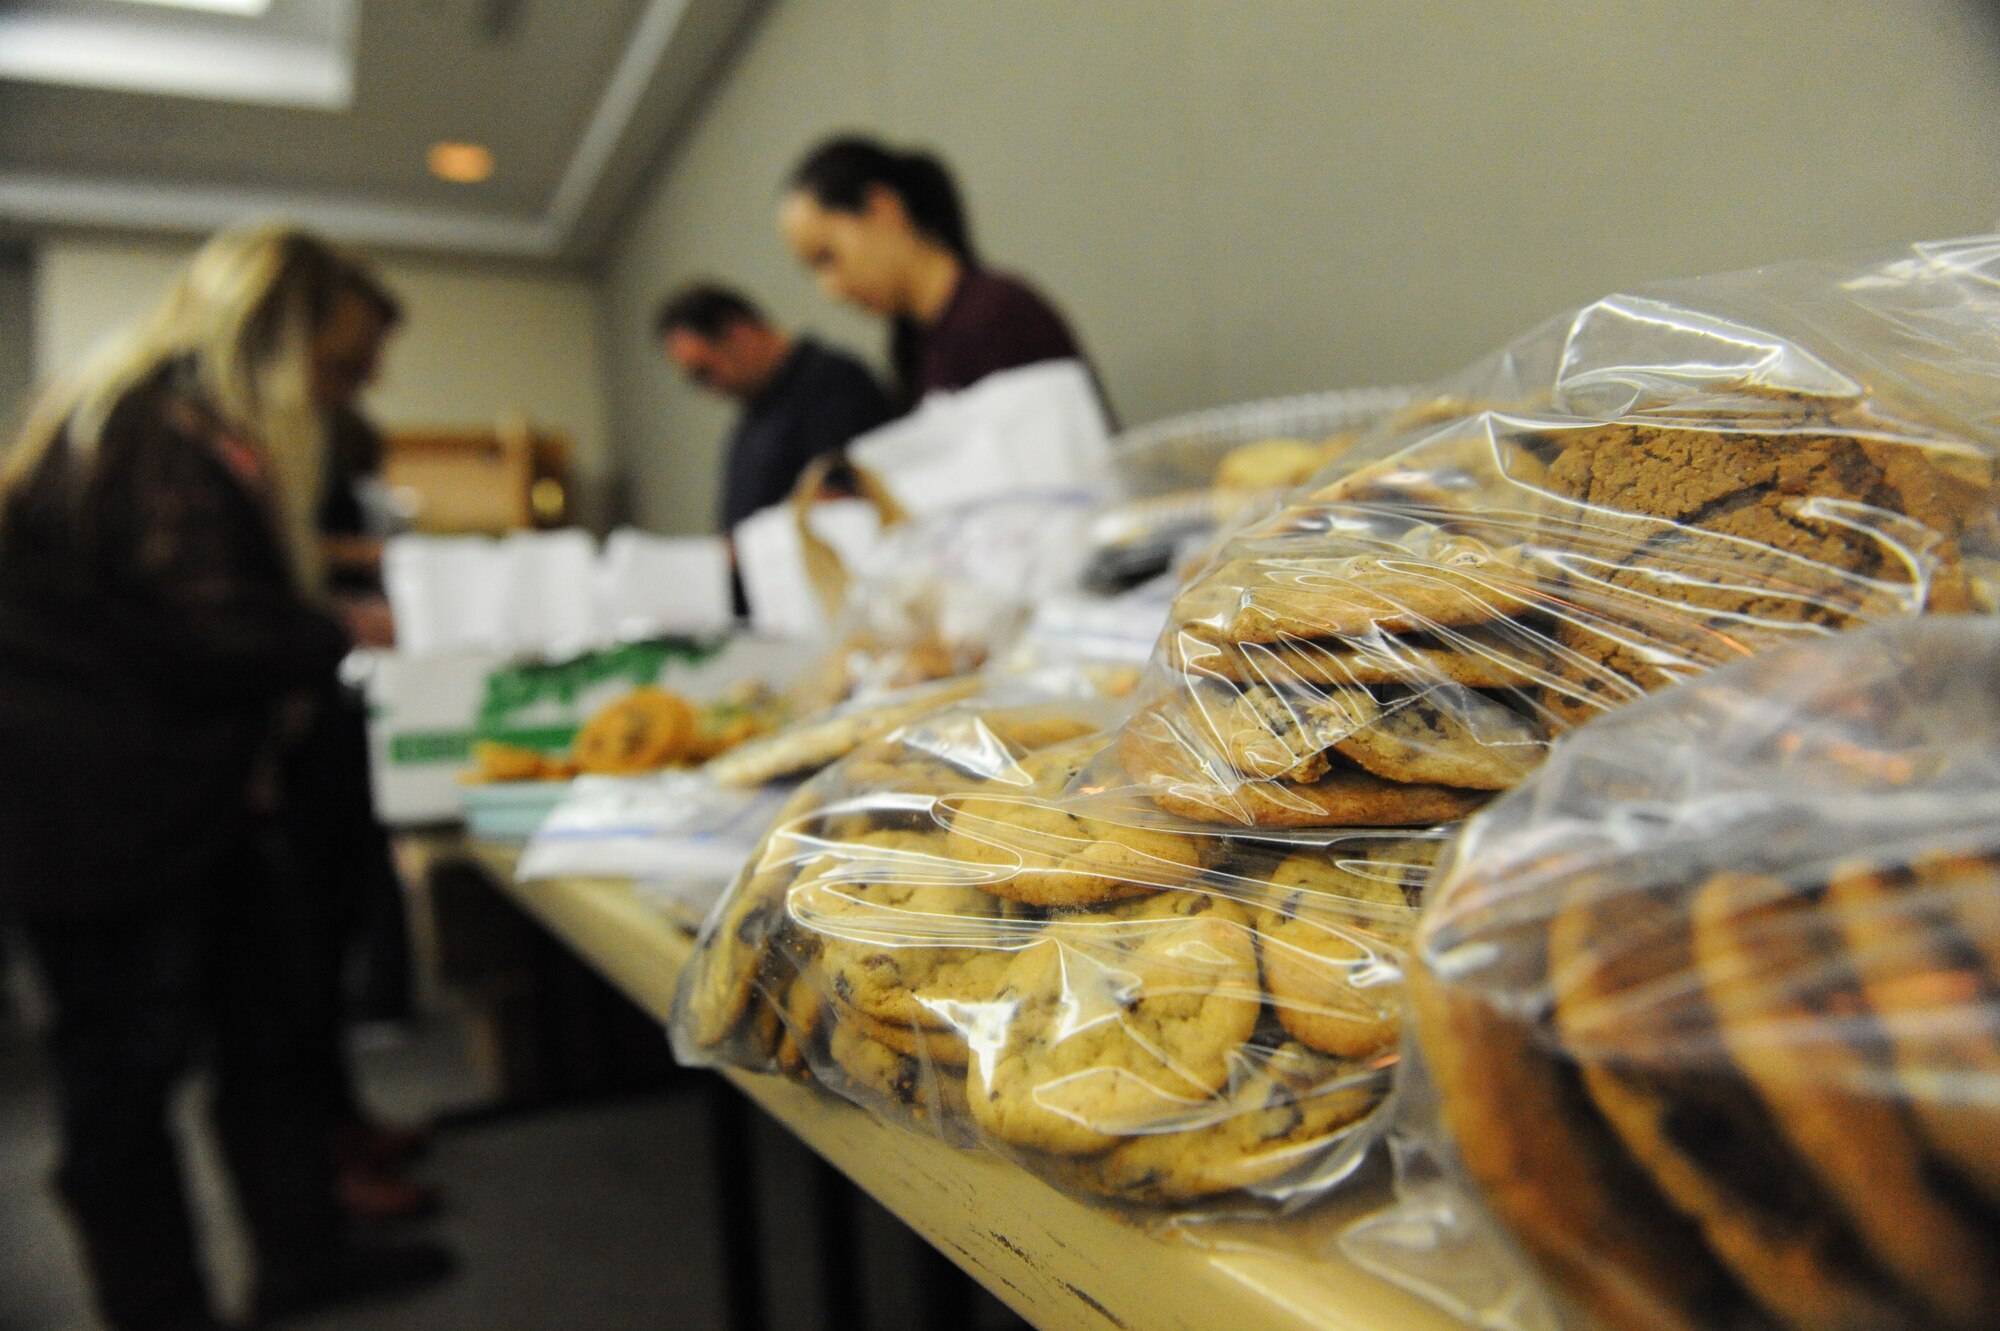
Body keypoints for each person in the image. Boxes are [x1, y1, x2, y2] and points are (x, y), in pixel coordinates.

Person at [0, 224, 454, 1331]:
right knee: (122, 1089)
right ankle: (161, 1310)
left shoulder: (176, 427)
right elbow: (209, 630)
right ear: (276, 334)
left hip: (197, 801)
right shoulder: (150, 426)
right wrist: (342, 627)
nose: (347, 393)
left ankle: (302, 1253)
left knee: (272, 1034)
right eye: (340, 365)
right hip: (109, 817)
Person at [779, 134, 1114, 421]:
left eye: (828, 257)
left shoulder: (997, 316)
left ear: (882, 208)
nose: (831, 289)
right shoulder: (914, 346)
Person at [655, 281, 893, 538]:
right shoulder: (748, 425)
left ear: (738, 332)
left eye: (704, 371)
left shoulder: (833, 383)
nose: (710, 389)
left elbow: (844, 497)